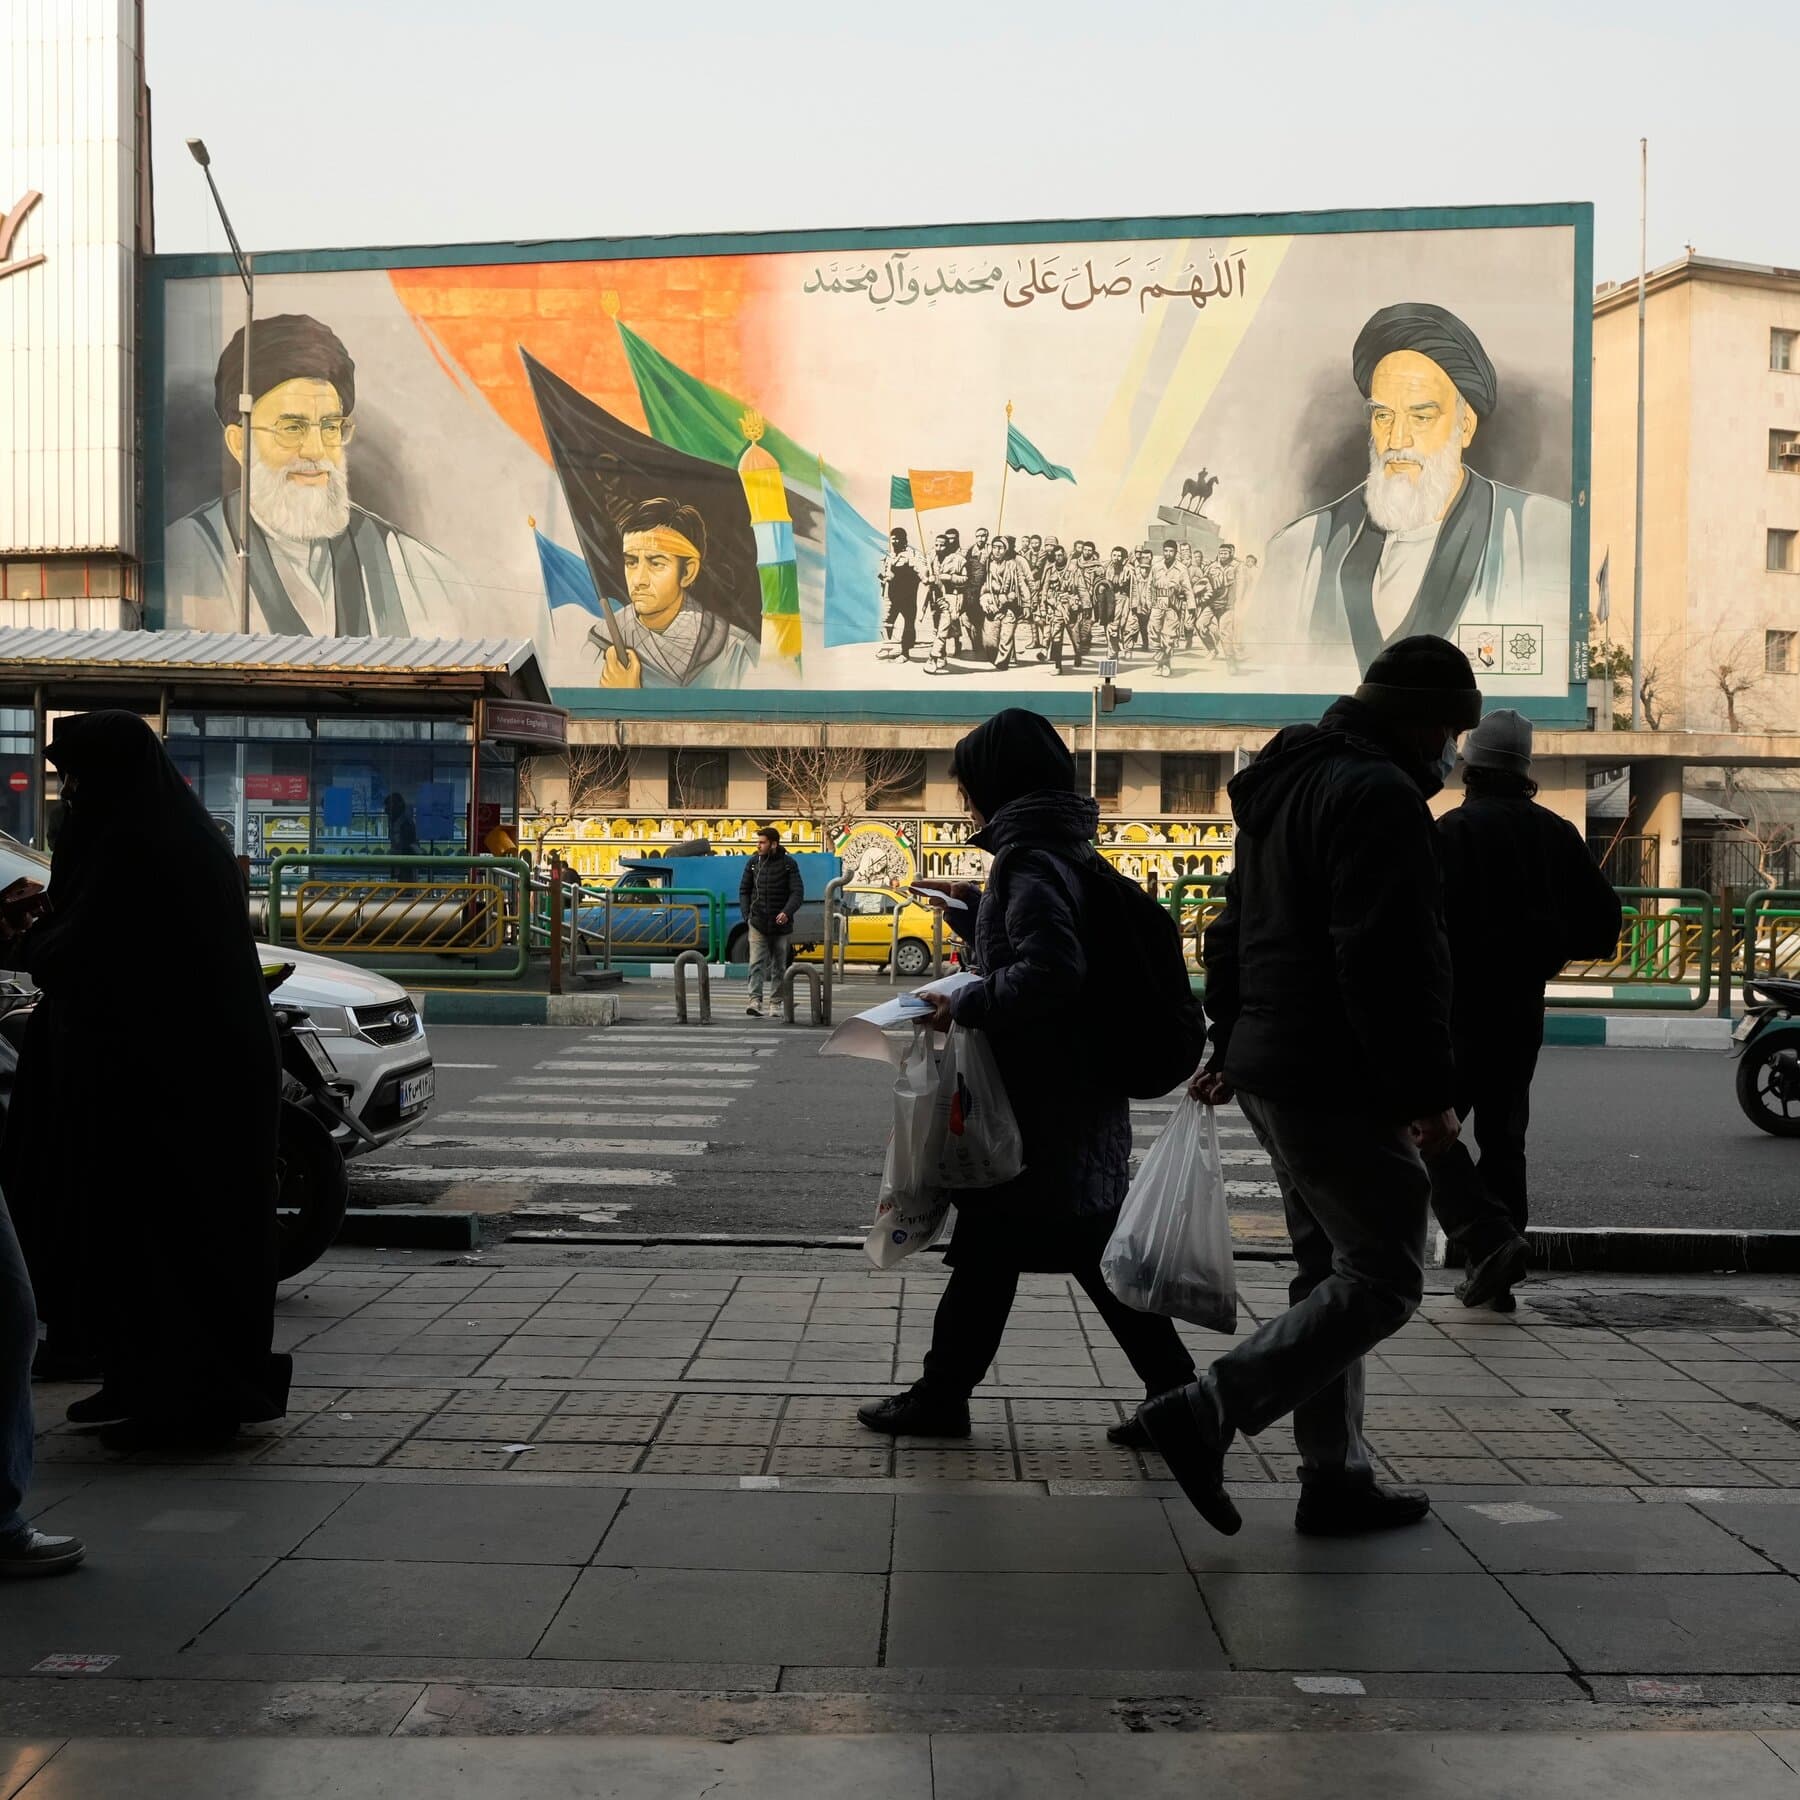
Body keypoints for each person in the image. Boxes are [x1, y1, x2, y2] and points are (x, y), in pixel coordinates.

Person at [1143, 637, 1481, 1539]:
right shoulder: (1378, 795)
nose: (1452, 752)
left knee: (1326, 1271)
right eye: (1448, 730)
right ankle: (1207, 1410)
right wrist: (1424, 1092)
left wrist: (1229, 1035)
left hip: (1275, 1063)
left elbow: (1232, 927)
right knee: (1383, 1278)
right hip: (1337, 1072)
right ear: (1417, 722)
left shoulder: (1284, 781)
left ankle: (1333, 1477)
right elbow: (1388, 959)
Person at [857, 709, 1197, 1444]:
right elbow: (1047, 941)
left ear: (994, 784)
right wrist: (975, 912)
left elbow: (1051, 971)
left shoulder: (1029, 859)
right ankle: (1177, 1397)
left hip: (1040, 1106)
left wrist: (966, 1000)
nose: (965, 800)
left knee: (1010, 1246)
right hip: (1071, 1099)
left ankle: (946, 1396)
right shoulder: (1065, 851)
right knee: (1040, 1250)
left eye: (969, 784)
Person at [0, 712, 291, 1449]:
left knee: (180, 1244)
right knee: (134, 1240)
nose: (69, 793)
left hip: (188, 1091)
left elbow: (91, 950)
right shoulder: (145, 833)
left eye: (78, 777)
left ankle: (188, 1408)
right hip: (158, 1081)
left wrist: (25, 941)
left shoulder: (148, 845)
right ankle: (138, 1384)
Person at [1253, 302, 1571, 675]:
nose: (1396, 438)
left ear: (1465, 425)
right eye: (1383, 415)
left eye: (1421, 416)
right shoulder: (1299, 549)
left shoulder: (1540, 533)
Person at [1429, 710, 1623, 1312]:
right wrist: (1547, 948)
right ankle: (1501, 1271)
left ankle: (1486, 1242)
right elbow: (1603, 926)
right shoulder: (1556, 834)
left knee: (1426, 1132)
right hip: (1519, 1012)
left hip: (1454, 1011)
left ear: (1472, 768)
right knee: (1504, 1139)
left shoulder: (1450, 833)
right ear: (1525, 771)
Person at [164, 314, 475, 636]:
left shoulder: (419, 573)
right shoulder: (184, 559)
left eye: (329, 427)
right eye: (292, 428)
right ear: (238, 442)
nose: (315, 450)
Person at [596, 498, 759, 689]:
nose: (639, 580)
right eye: (631, 563)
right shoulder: (600, 644)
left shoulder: (737, 652)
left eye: (656, 563)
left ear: (688, 572)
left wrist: (628, 699)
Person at [739, 826, 805, 1017]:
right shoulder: (753, 864)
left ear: (774, 844)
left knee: (779, 966)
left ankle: (775, 1003)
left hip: (781, 924)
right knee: (756, 963)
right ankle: (754, 1001)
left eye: (762, 842)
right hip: (758, 922)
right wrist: (747, 915)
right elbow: (744, 890)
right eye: (758, 842)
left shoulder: (788, 864)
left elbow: (797, 892)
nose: (758, 846)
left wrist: (787, 912)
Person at [878, 528, 926, 663]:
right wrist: (885, 578)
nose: (895, 541)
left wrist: (925, 577)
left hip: (907, 597)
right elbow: (884, 572)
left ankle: (905, 652)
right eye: (893, 538)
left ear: (905, 540)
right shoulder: (889, 556)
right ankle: (889, 648)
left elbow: (921, 571)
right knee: (887, 623)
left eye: (898, 538)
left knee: (908, 624)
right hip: (891, 597)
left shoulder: (913, 555)